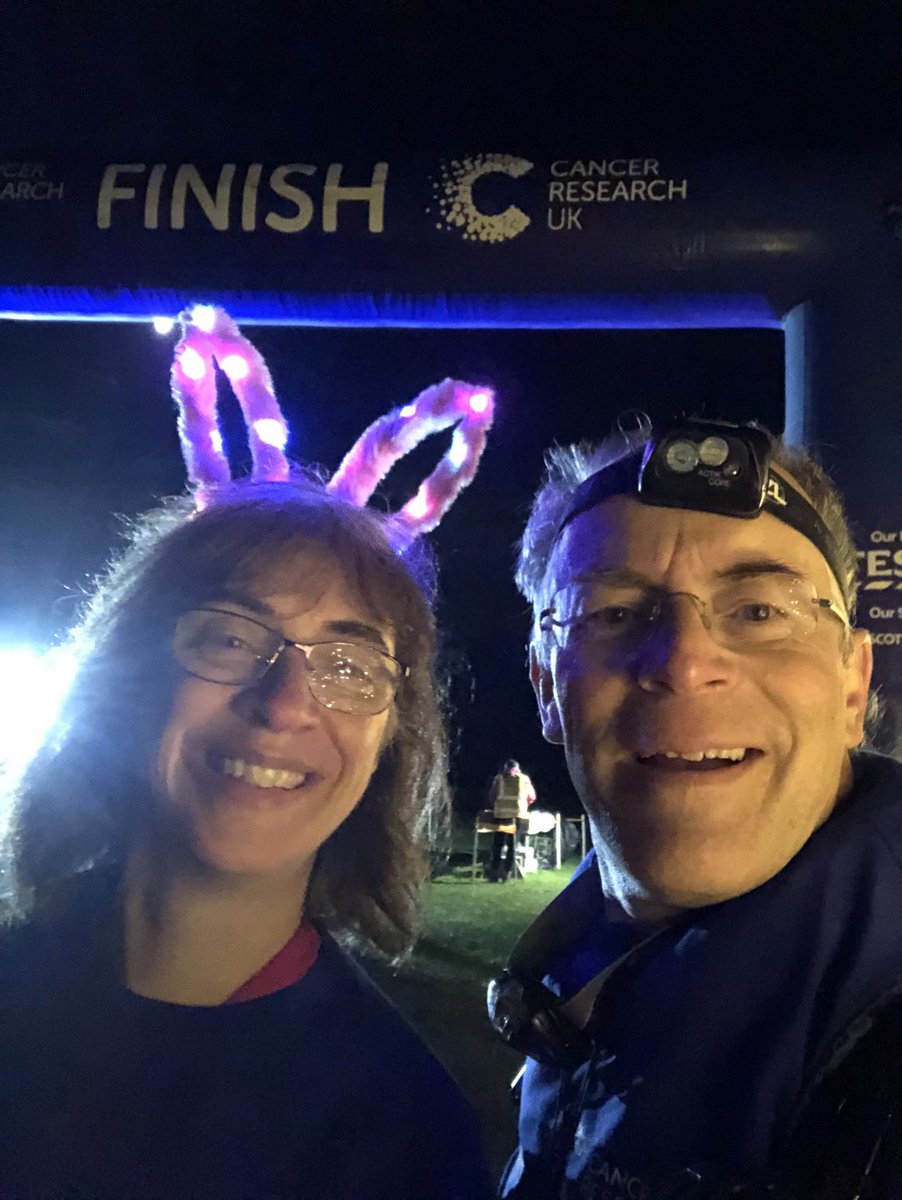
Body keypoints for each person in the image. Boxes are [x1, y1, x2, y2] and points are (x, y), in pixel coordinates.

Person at [0, 311, 493, 1199]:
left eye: (349, 665)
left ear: (391, 742)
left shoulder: (403, 1138)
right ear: (127, 670)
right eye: (230, 639)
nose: (284, 706)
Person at [488, 419, 902, 1198]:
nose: (683, 662)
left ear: (854, 686)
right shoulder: (578, 971)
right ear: (547, 686)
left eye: (759, 610)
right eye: (611, 613)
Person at [487, 759, 537, 881]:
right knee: (512, 845)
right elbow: (532, 797)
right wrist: (523, 804)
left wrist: (497, 805)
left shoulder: (499, 778)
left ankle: (494, 872)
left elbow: (492, 796)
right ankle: (507, 873)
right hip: (517, 815)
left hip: (501, 815)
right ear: (518, 768)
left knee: (498, 844)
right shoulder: (524, 779)